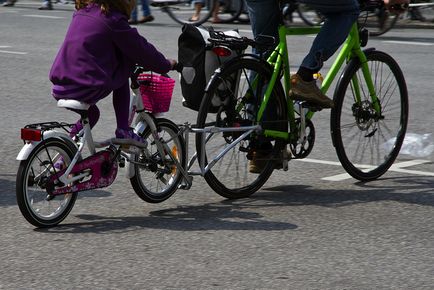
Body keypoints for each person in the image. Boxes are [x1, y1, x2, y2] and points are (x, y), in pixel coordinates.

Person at [49, 0, 176, 145]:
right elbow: (141, 49)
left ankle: (65, 153)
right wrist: (166, 64)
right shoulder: (112, 19)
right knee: (124, 66)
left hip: (61, 84)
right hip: (85, 87)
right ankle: (123, 129)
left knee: (92, 114)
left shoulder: (82, 11)